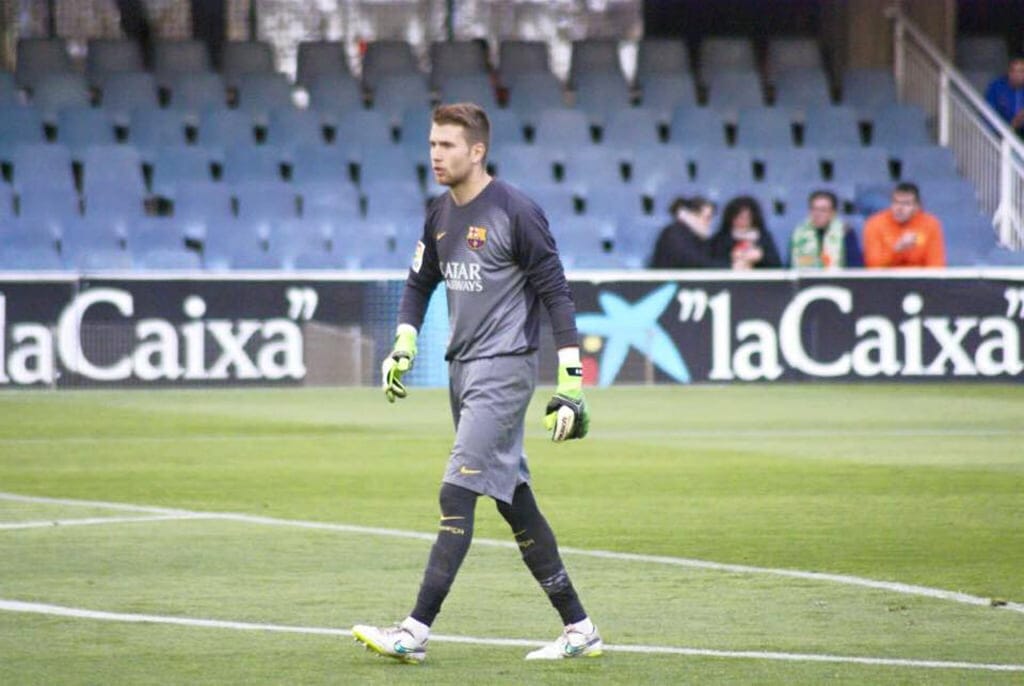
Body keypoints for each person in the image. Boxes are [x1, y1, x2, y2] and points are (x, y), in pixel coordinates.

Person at [351, 103, 602, 664]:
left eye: (446, 145)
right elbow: (418, 283)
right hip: (462, 371)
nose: (435, 154)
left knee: (456, 490)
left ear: (477, 151)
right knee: (514, 502)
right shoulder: (439, 213)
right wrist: (404, 342)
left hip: (505, 367)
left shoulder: (517, 212)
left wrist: (571, 380)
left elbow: (557, 294)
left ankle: (414, 632)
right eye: (432, 144)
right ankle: (580, 629)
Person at [863, 182, 946, 268]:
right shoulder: (875, 224)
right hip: (886, 280)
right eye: (896, 202)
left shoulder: (931, 224)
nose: (899, 208)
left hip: (919, 280)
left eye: (906, 204)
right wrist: (897, 249)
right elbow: (873, 266)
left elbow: (936, 266)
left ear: (917, 206)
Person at [789, 190, 864, 268]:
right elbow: (789, 265)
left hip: (836, 279)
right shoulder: (799, 234)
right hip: (806, 279)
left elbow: (855, 267)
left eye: (823, 210)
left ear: (833, 213)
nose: (817, 214)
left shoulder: (845, 232)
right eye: (814, 209)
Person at [649, 196, 729, 268]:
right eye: (707, 218)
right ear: (693, 215)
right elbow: (692, 260)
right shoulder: (675, 233)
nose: (709, 223)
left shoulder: (694, 236)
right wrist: (727, 267)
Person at [709, 195, 783, 269]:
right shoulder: (721, 239)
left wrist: (760, 256)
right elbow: (711, 263)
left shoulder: (763, 237)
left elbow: (776, 264)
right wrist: (732, 260)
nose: (742, 222)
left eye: (746, 218)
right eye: (738, 217)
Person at [985, 55, 1024, 135]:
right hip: (1001, 133)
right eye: (1013, 71)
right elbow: (988, 114)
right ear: (1008, 72)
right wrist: (1011, 124)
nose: (1017, 75)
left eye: (1021, 71)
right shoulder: (996, 88)